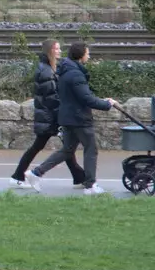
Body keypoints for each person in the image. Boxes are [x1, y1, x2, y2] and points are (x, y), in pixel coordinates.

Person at [33, 42, 117, 195]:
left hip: (67, 117)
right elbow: (86, 99)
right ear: (81, 55)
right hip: (79, 118)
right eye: (87, 53)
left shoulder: (66, 70)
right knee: (91, 149)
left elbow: (80, 95)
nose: (89, 56)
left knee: (67, 150)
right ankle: (90, 185)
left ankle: (35, 173)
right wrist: (106, 105)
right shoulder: (76, 74)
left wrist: (102, 100)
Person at [11, 40, 86, 190]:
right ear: (49, 51)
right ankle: (17, 177)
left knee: (65, 147)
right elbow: (51, 97)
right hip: (50, 117)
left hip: (50, 116)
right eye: (56, 49)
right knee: (59, 147)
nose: (59, 51)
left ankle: (79, 178)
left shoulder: (50, 68)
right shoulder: (46, 70)